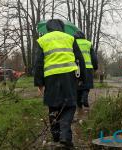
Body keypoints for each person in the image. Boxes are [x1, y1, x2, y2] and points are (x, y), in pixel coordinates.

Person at [34, 19, 86, 148]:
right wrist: (82, 78)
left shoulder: (43, 40)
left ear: (48, 28)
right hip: (69, 76)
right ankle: (65, 136)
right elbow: (79, 59)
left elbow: (38, 63)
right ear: (62, 27)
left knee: (53, 105)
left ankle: (56, 135)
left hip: (50, 77)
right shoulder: (70, 38)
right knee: (69, 105)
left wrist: (39, 83)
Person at [74, 31, 98, 108]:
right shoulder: (88, 43)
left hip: (76, 68)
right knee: (87, 85)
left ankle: (79, 104)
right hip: (87, 67)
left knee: (77, 86)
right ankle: (84, 98)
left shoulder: (72, 43)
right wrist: (95, 66)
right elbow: (93, 57)